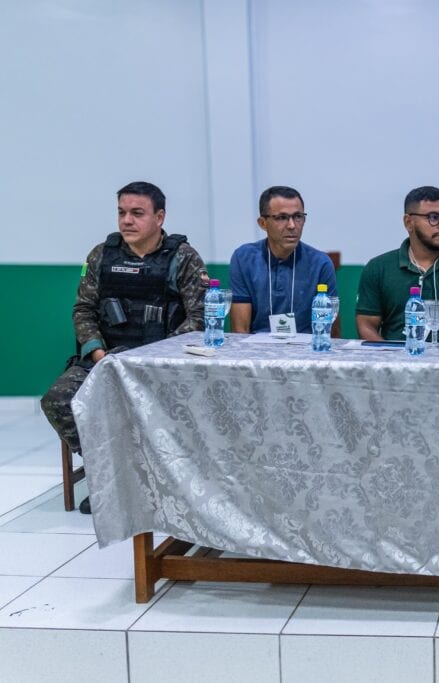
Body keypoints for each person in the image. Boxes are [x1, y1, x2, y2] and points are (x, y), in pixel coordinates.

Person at [40, 181, 209, 514]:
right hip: (107, 359)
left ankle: (156, 479)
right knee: (57, 399)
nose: (127, 221)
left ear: (159, 217)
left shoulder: (182, 258)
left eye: (137, 213)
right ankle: (111, 473)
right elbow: (83, 310)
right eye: (122, 213)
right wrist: (99, 353)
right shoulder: (102, 255)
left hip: (162, 363)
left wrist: (154, 357)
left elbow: (199, 319)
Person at [356, 186, 439, 342]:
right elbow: (366, 325)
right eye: (433, 217)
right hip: (396, 359)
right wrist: (390, 360)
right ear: (409, 223)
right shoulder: (378, 268)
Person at [229, 186, 337, 335]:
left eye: (298, 216)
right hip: (256, 351)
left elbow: (328, 330)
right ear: (263, 223)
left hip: (306, 351)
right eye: (282, 218)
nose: (292, 225)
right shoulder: (244, 258)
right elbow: (240, 331)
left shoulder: (320, 263)